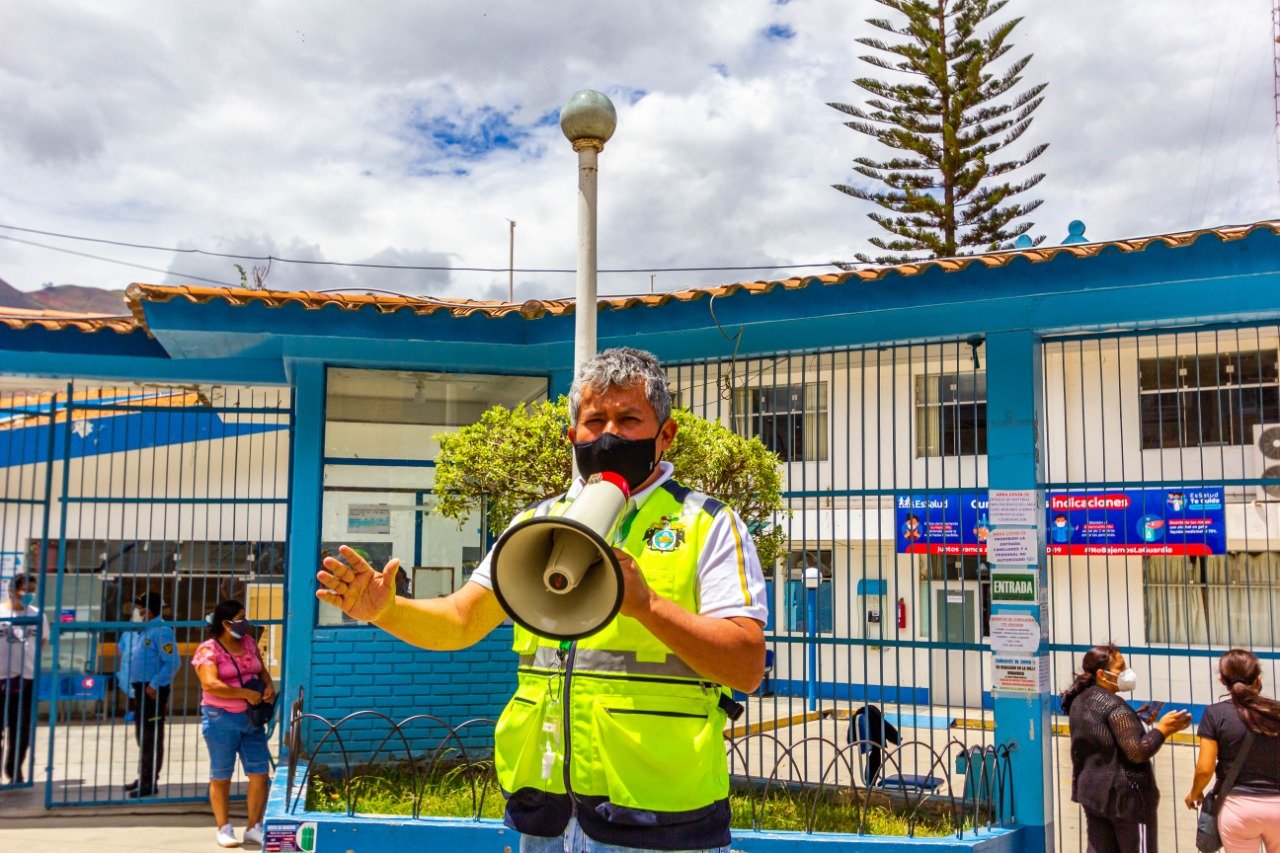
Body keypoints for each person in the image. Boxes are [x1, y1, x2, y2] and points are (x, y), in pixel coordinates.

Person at [318, 347, 768, 852]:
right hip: (545, 817)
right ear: (571, 435)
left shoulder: (707, 524)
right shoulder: (534, 525)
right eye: (594, 420)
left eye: (629, 419)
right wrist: (386, 610)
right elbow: (461, 620)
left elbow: (746, 664)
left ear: (665, 435)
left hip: (661, 820)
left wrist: (649, 606)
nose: (608, 434)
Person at [1061, 643, 1192, 852]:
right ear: (1102, 675)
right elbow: (1137, 752)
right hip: (1127, 801)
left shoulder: (1080, 701)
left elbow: (1103, 740)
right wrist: (1163, 729)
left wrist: (1137, 723)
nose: (1127, 672)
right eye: (1120, 668)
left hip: (1094, 796)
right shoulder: (1115, 707)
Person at [192, 600, 275, 848]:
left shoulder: (248, 642)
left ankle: (254, 826)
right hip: (221, 719)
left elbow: (260, 669)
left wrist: (268, 685)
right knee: (221, 775)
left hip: (252, 719)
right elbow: (210, 684)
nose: (244, 621)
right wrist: (245, 694)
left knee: (259, 774)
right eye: (240, 617)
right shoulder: (208, 650)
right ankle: (224, 827)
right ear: (225, 623)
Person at [1184, 649, 1280, 852]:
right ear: (1258, 678)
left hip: (1237, 810)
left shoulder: (1214, 714)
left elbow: (1204, 768)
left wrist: (1195, 792)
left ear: (1221, 679)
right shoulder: (1276, 712)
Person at [117, 591, 181, 797]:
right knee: (142, 736)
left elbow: (172, 662)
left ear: (147, 609)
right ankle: (145, 775)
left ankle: (149, 782)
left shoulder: (161, 631)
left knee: (151, 737)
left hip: (153, 691)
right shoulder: (143, 632)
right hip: (141, 691)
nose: (136, 611)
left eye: (138, 607)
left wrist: (154, 684)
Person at [0, 572, 49, 784]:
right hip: (1, 680)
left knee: (21, 730)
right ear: (12, 590)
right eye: (25, 590)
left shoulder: (38, 615)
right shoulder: (1, 612)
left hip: (26, 680)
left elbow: (43, 640)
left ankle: (14, 769)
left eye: (32, 591)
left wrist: (28, 656)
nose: (30, 595)